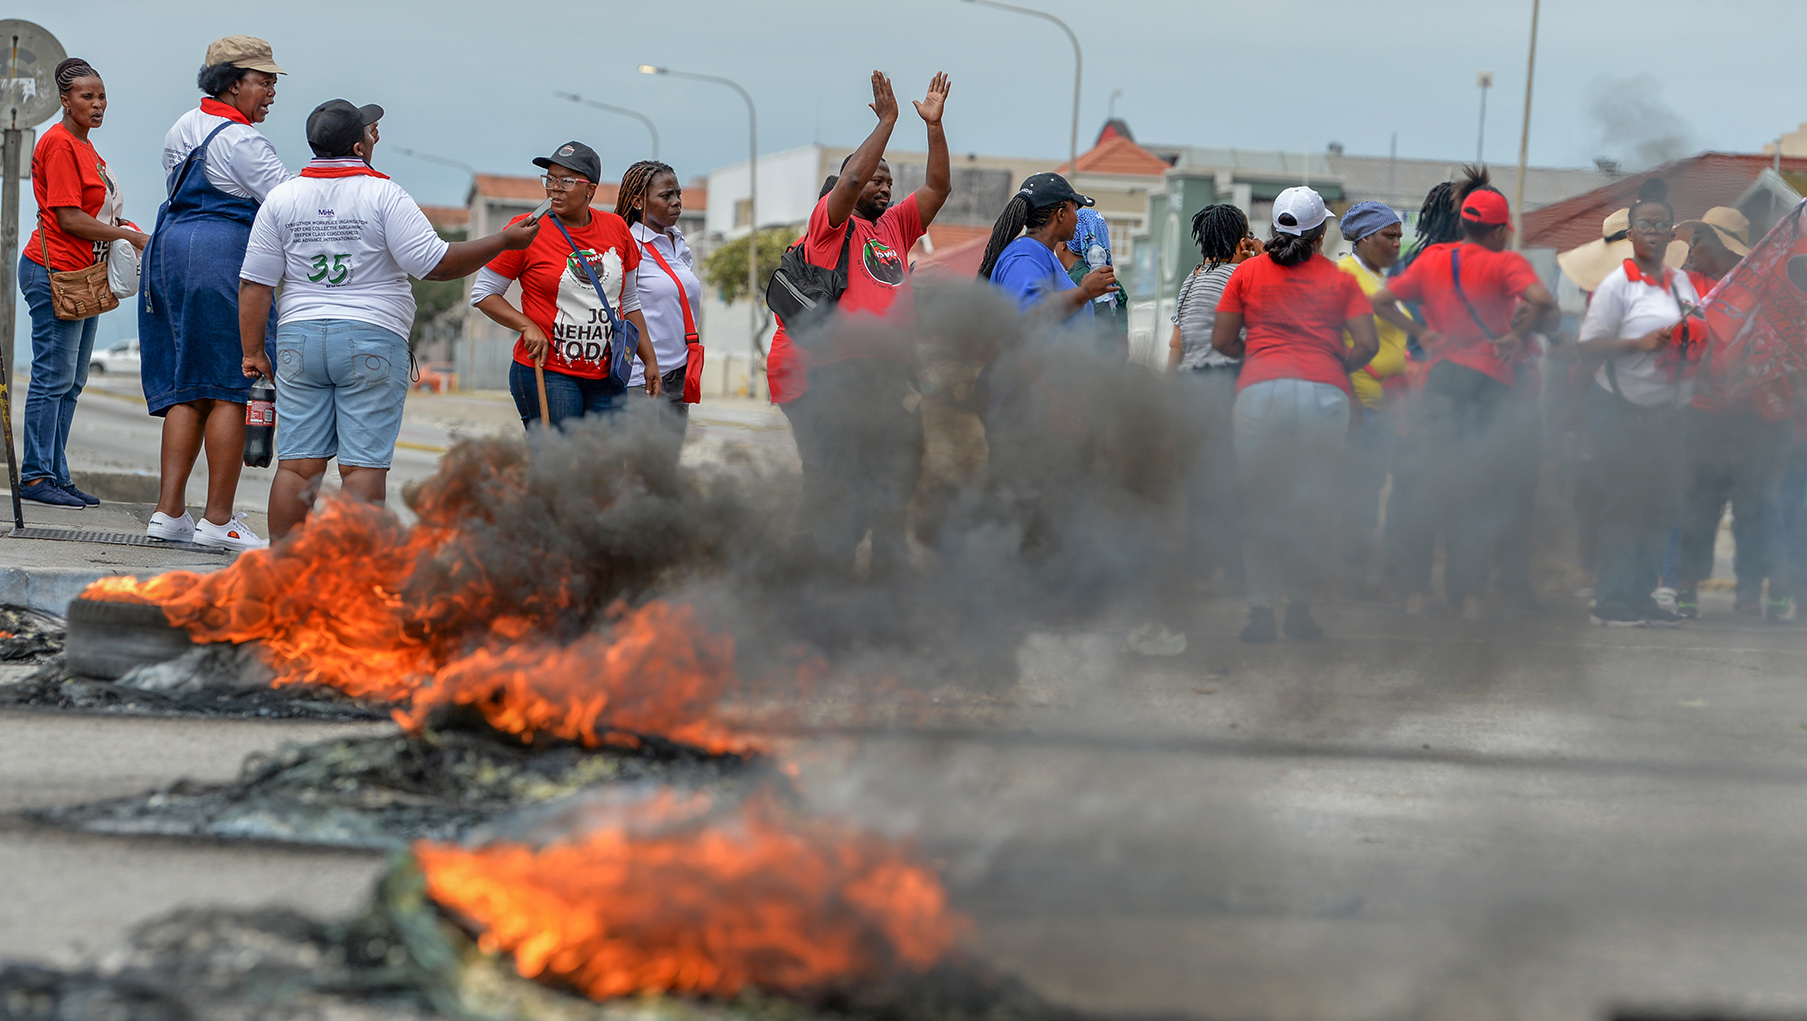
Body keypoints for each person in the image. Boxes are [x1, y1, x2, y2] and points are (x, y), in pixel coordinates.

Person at [238, 101, 539, 541]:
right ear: (360, 145)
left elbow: (255, 286)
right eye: (370, 132)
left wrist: (252, 352)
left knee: (299, 467)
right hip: (370, 340)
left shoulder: (282, 198)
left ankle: (282, 570)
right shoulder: (383, 195)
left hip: (299, 339)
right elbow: (435, 264)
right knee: (361, 468)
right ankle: (356, 579)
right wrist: (504, 240)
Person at [1370, 170, 1559, 619]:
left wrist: (1423, 333)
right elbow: (1541, 305)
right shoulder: (1500, 264)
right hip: (1486, 388)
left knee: (1424, 487)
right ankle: (1466, 594)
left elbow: (1381, 303)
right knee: (1472, 494)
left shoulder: (1423, 261)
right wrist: (1518, 332)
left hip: (1432, 388)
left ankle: (1413, 588)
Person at [790, 71, 952, 576]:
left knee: (896, 485)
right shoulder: (830, 225)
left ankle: (884, 587)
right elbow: (852, 181)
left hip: (891, 379)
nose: (882, 184)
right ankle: (821, 585)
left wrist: (933, 128)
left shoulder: (895, 226)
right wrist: (887, 122)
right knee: (847, 491)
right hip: (842, 376)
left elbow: (939, 186)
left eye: (888, 179)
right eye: (874, 178)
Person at [140, 36, 290, 550]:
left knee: (189, 385)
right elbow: (286, 206)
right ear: (232, 83)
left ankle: (168, 512)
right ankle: (218, 518)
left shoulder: (183, 126)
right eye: (263, 80)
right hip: (221, 253)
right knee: (233, 381)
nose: (271, 91)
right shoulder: (245, 142)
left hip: (172, 250)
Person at [1211, 186, 1379, 643]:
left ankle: (1262, 615)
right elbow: (1368, 345)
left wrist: (1261, 358)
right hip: (1325, 400)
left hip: (1261, 393)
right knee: (1312, 505)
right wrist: (1330, 368)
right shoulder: (1342, 279)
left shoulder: (1245, 273)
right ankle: (1301, 612)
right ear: (1321, 232)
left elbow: (1223, 340)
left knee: (1261, 505)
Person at [17, 59, 148, 508]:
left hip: (85, 278)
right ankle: (35, 478)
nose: (97, 104)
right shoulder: (58, 144)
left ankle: (57, 473)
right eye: (86, 97)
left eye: (102, 96)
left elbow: (96, 212)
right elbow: (70, 219)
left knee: (71, 383)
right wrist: (128, 236)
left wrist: (123, 225)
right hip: (55, 273)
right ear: (65, 100)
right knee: (51, 380)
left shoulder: (86, 146)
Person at [1572, 179, 1700, 627]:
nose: (1654, 229)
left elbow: (1695, 339)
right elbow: (1588, 347)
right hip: (1619, 409)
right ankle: (1609, 599)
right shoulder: (1616, 286)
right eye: (1645, 223)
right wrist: (1639, 343)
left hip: (1667, 414)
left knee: (1660, 506)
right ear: (1630, 234)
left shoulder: (1683, 285)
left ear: (1671, 234)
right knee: (1625, 505)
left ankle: (1642, 596)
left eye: (1662, 223)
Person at [472, 141, 659, 430]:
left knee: (603, 463)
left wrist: (650, 360)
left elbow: (630, 302)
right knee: (560, 464)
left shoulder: (616, 228)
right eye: (550, 179)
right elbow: (483, 292)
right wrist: (526, 326)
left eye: (567, 180)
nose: (555, 188)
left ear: (591, 190)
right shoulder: (526, 228)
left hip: (606, 376)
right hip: (549, 372)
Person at [1670, 206, 1789, 620]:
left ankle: (1751, 591)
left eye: (1698, 239)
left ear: (1719, 246)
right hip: (1701, 416)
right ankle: (1686, 588)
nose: (1690, 248)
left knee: (1753, 509)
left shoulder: (1762, 289)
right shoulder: (1685, 285)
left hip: (1752, 418)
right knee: (1699, 507)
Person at [1167, 203, 1260, 590]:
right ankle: (1235, 572)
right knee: (1229, 479)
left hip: (1189, 386)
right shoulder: (1243, 276)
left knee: (1199, 480)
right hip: (1223, 382)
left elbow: (1177, 344)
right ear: (1240, 239)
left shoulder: (1194, 278)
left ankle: (1199, 566)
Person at [1335, 202, 1412, 588]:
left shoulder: (1382, 278)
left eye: (1399, 235)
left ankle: (1369, 571)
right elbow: (1334, 342)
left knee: (1377, 488)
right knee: (1361, 492)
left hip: (1390, 403)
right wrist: (1349, 397)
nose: (1398, 243)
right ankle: (1353, 575)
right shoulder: (1345, 276)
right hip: (1362, 403)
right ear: (1364, 238)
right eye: (1389, 235)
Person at [616, 159, 702, 463]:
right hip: (641, 381)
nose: (676, 202)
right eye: (666, 196)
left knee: (666, 471)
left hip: (678, 376)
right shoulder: (627, 245)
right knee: (641, 471)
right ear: (639, 201)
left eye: (678, 194)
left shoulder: (678, 243)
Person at [979, 172, 1116, 320]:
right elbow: (1029, 314)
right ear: (1061, 214)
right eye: (1075, 210)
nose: (1077, 218)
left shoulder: (1040, 255)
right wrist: (1084, 292)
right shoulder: (1023, 258)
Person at [1062, 207, 1129, 353]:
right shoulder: (1114, 284)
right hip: (1110, 371)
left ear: (1063, 244)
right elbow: (1123, 345)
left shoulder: (1067, 282)